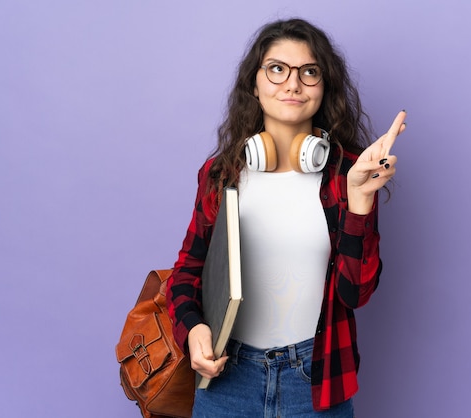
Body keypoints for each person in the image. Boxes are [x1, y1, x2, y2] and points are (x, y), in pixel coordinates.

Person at [166, 17, 406, 417]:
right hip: (228, 379)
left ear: (324, 86)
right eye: (277, 69)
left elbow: (355, 295)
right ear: (254, 85)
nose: (292, 84)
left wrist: (361, 199)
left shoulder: (348, 175)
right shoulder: (221, 174)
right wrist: (193, 330)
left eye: (309, 72)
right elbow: (187, 272)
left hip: (315, 379)